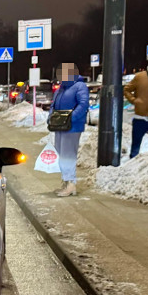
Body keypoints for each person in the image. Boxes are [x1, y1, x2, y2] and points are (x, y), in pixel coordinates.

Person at [50, 63, 89, 197]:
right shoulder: (61, 88)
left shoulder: (79, 86)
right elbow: (53, 104)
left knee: (68, 155)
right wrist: (51, 116)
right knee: (61, 154)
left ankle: (71, 183)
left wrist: (70, 118)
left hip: (72, 127)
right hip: (60, 126)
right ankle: (66, 182)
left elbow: (83, 104)